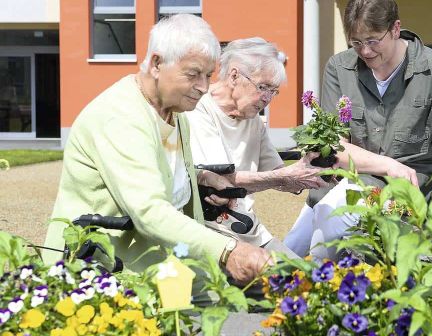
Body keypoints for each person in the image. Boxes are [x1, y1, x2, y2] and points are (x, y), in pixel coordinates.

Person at [42, 14, 271, 286]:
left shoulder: (175, 113)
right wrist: (228, 250)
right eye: (193, 74)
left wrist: (197, 179)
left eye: (208, 75)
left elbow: (157, 170)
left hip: (162, 264)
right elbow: (149, 211)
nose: (204, 87)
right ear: (156, 63)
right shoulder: (121, 117)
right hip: (104, 273)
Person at [284, 0, 432, 259]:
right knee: (286, 257)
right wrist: (387, 165)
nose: (365, 51)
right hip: (344, 183)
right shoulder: (340, 68)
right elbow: (334, 148)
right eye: (356, 43)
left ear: (395, 29)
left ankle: (328, 287)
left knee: (328, 227)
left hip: (406, 196)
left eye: (373, 41)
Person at [183, 37, 328, 254]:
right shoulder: (198, 109)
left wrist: (315, 171)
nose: (267, 98)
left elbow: (280, 176)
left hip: (247, 228)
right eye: (263, 87)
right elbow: (219, 181)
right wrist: (287, 176)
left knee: (303, 276)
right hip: (211, 230)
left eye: (273, 91)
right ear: (234, 76)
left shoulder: (252, 120)